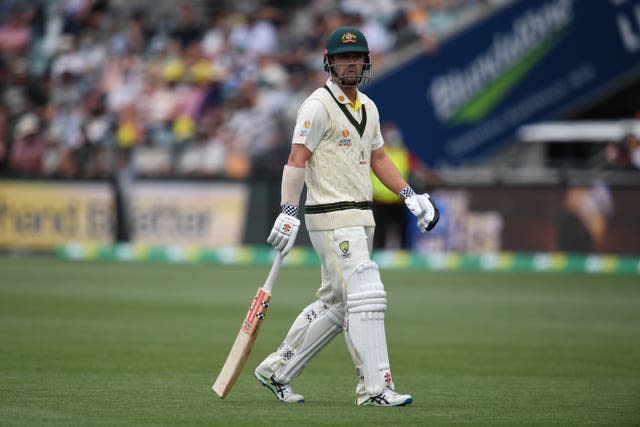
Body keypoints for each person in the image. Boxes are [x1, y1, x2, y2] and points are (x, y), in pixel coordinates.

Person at [253, 26, 439, 407]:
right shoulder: (317, 106)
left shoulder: (368, 107)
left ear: (366, 62)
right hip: (331, 217)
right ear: (329, 61)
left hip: (361, 215)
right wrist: (289, 210)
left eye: (356, 57)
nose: (350, 63)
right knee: (367, 295)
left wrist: (408, 194)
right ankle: (375, 388)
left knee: (339, 303)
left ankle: (277, 370)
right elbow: (296, 160)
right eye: (343, 57)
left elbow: (379, 158)